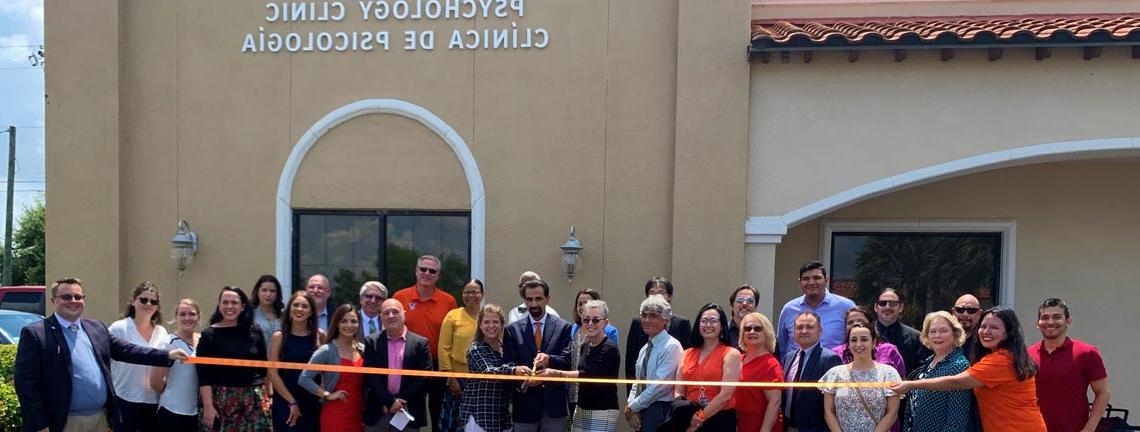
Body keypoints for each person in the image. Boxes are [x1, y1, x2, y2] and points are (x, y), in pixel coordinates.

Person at [14, 277, 186, 432]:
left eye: (78, 297)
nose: (73, 301)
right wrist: (39, 425)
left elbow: (127, 350)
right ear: (53, 301)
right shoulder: (37, 334)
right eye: (66, 297)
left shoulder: (95, 328)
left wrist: (167, 355)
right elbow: (25, 384)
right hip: (62, 422)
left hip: (99, 419)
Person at [892, 307, 1047, 431]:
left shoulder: (1001, 360)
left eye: (994, 327)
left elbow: (956, 385)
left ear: (1008, 332)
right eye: (983, 326)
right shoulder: (990, 358)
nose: (986, 331)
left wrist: (910, 384)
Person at [393, 255, 458, 432]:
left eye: (432, 271)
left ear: (438, 275)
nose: (427, 273)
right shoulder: (400, 297)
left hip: (437, 364)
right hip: (408, 364)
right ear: (416, 271)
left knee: (437, 412)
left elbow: (453, 336)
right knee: (410, 411)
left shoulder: (448, 301)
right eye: (423, 269)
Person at [197, 286, 273, 431]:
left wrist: (269, 397)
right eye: (225, 303)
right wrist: (208, 406)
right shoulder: (208, 335)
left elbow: (264, 369)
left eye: (234, 303)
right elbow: (203, 375)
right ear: (219, 306)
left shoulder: (255, 331)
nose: (229, 306)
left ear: (242, 307)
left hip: (254, 400)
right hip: (220, 400)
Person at [1028, 298, 1110, 432]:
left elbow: (1103, 393)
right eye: (1045, 318)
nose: (1050, 322)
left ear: (1068, 321)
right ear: (1038, 323)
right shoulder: (1027, 355)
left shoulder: (1087, 353)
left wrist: (1089, 429)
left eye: (1057, 317)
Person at [502, 279, 573, 431]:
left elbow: (568, 361)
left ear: (547, 299)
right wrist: (522, 376)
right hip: (524, 406)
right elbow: (508, 365)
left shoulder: (564, 327)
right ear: (524, 301)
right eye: (529, 299)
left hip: (554, 406)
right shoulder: (512, 330)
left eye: (538, 298)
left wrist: (549, 359)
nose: (534, 304)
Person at [540, 300, 621, 432]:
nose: (590, 324)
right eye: (586, 320)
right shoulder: (584, 346)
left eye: (595, 320)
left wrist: (557, 374)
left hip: (602, 409)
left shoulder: (609, 348)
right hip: (582, 407)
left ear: (605, 323)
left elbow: (589, 376)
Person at [363, 299, 433, 432]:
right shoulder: (372, 341)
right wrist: (389, 401)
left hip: (408, 409)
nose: (391, 316)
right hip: (379, 410)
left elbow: (425, 377)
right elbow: (370, 376)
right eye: (386, 313)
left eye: (395, 312)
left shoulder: (420, 343)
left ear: (404, 314)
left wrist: (398, 401)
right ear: (381, 317)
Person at [108, 280, 170, 432]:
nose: (148, 304)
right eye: (143, 299)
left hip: (152, 400)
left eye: (153, 301)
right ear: (133, 301)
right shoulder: (119, 328)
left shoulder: (161, 332)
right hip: (124, 398)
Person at [820, 323, 901, 432]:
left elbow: (892, 413)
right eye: (853, 340)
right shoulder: (835, 374)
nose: (858, 344)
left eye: (864, 339)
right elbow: (828, 412)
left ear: (873, 343)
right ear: (848, 344)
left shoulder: (888, 373)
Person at [300, 305, 367, 432]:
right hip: (335, 415)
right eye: (343, 321)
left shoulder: (363, 350)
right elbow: (304, 378)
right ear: (336, 323)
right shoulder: (327, 350)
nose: (349, 325)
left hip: (359, 415)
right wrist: (327, 394)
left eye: (353, 321)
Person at [675, 303, 741, 431]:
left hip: (719, 419)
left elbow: (725, 395)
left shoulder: (731, 354)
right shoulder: (686, 353)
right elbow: (679, 391)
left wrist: (699, 419)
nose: (708, 325)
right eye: (704, 321)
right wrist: (688, 414)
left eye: (713, 321)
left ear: (722, 326)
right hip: (689, 417)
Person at [905, 311, 974, 432]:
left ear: (955, 334)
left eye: (943, 331)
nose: (937, 335)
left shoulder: (959, 366)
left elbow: (957, 421)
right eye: (933, 331)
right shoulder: (928, 363)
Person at [625, 294, 684, 432]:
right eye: (644, 315)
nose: (646, 320)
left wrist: (632, 407)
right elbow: (637, 382)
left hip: (659, 409)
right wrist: (630, 406)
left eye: (652, 316)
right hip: (641, 408)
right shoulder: (644, 349)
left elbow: (660, 386)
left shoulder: (672, 346)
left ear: (665, 319)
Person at [268, 291, 324, 432]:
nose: (299, 309)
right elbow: (272, 373)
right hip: (285, 400)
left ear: (311, 312)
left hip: (312, 401)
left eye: (304, 306)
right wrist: (292, 402)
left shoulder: (320, 336)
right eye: (296, 305)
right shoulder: (279, 337)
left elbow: (327, 370)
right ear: (289, 309)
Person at [625, 277, 692, 393]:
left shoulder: (681, 323)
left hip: (671, 392)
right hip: (641, 391)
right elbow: (631, 362)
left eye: (661, 292)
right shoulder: (638, 323)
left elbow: (687, 359)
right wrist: (632, 399)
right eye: (652, 293)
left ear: (669, 297)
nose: (656, 296)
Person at [777, 260, 856, 359]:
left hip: (834, 370)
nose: (811, 282)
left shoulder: (845, 306)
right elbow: (782, 347)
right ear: (799, 282)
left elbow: (855, 340)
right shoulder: (789, 309)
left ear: (826, 280)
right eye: (806, 279)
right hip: (798, 372)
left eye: (816, 278)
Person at [437, 279, 485, 432]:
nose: (471, 295)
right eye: (467, 291)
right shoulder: (453, 316)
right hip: (458, 380)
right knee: (456, 425)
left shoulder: (487, 317)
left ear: (482, 295)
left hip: (482, 380)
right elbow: (443, 349)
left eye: (475, 292)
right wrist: (451, 379)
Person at [782, 311, 842, 432]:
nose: (804, 331)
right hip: (788, 427)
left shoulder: (830, 359)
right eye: (799, 327)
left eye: (809, 327)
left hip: (817, 428)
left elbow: (837, 402)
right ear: (794, 331)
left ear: (820, 330)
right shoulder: (788, 358)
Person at [460, 304, 516, 432]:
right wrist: (514, 370)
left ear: (502, 325)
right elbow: (488, 371)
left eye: (495, 322)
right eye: (486, 322)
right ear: (480, 325)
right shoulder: (475, 349)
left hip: (502, 418)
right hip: (479, 417)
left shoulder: (507, 349)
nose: (491, 326)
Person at [149, 299, 202, 432]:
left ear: (199, 317)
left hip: (197, 412)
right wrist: (173, 394)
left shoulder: (203, 341)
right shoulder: (168, 343)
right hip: (172, 411)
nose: (187, 318)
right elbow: (155, 382)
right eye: (182, 314)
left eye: (192, 314)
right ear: (176, 317)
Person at [568, 288, 618, 413]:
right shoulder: (573, 329)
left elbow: (600, 369)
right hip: (574, 391)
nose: (583, 306)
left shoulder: (610, 333)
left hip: (599, 398)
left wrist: (558, 374)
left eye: (587, 302)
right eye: (580, 304)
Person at [735, 312, 784, 432]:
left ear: (766, 333)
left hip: (761, 426)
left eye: (757, 329)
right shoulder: (737, 359)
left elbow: (774, 402)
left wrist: (765, 429)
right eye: (747, 328)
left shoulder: (770, 364)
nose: (752, 332)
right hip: (739, 424)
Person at [832, 306, 905, 377]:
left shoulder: (889, 351)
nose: (855, 324)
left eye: (861, 321)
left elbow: (901, 381)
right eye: (850, 322)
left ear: (871, 324)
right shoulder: (836, 353)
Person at [874, 288, 931, 374]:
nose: (887, 307)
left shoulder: (916, 337)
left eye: (893, 303)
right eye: (883, 303)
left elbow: (921, 369)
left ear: (901, 307)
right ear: (875, 307)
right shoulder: (865, 336)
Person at [252, 275, 284, 352]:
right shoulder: (250, 314)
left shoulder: (283, 316)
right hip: (257, 361)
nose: (268, 294)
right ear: (257, 291)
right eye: (264, 290)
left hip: (280, 361)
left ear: (277, 294)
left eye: (272, 291)